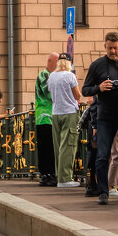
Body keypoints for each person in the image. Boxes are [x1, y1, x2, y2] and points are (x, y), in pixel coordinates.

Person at [81, 31, 118, 205]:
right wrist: (99, 87)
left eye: (115, 47)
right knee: (102, 155)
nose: (113, 51)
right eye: (109, 48)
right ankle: (103, 192)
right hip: (105, 116)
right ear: (104, 46)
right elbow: (85, 90)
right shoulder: (97, 65)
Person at [49, 54, 82, 187]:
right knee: (68, 145)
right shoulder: (70, 76)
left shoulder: (51, 76)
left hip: (56, 112)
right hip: (69, 112)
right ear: (69, 63)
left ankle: (59, 176)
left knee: (58, 146)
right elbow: (77, 95)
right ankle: (65, 178)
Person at [33, 53, 56, 186]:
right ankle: (46, 174)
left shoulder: (49, 75)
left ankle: (48, 174)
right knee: (46, 147)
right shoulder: (44, 74)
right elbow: (50, 93)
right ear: (50, 61)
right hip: (45, 117)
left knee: (48, 147)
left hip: (47, 117)